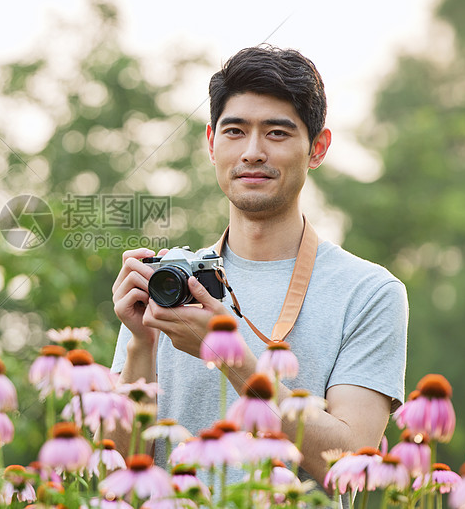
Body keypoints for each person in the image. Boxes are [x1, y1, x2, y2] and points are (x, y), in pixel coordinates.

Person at [109, 45, 408, 489]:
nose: (252, 152)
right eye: (235, 131)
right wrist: (140, 345)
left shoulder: (368, 292)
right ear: (211, 144)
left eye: (277, 133)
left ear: (318, 148)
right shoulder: (168, 283)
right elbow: (113, 469)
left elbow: (350, 467)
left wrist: (229, 357)